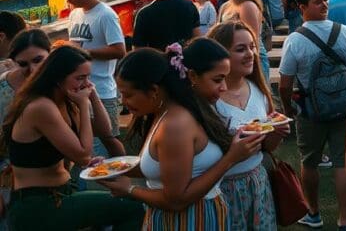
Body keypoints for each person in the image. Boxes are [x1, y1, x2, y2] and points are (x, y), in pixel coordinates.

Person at [101, 47, 265, 229]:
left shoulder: (174, 125)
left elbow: (176, 201)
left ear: (154, 90)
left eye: (128, 94)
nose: (123, 102)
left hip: (189, 219)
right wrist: (110, 169)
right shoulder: (168, 112)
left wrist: (129, 190)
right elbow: (164, 168)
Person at [2, 46, 145, 230]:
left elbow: (105, 130)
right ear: (58, 77)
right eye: (80, 78)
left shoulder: (67, 102)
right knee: (132, 209)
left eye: (88, 77)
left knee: (127, 200)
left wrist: (92, 95)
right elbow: (83, 155)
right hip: (38, 203)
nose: (85, 84)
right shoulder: (41, 107)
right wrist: (84, 104)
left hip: (63, 191)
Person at [278, 0, 346, 230]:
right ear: (301, 6)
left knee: (309, 162)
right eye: (319, 1)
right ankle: (345, 220)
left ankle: (314, 213)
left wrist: (288, 109)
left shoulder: (295, 41)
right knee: (342, 164)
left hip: (310, 112)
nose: (325, 4)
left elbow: (285, 85)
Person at [207, 23, 288, 231]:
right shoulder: (208, 99)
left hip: (258, 182)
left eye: (252, 47)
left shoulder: (258, 90)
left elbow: (266, 149)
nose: (250, 54)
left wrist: (277, 133)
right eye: (240, 49)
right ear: (220, 54)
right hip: (221, 189)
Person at [65, 0, 126, 158]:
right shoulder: (74, 14)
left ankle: (122, 175)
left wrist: (83, 53)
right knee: (82, 140)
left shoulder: (106, 15)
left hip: (102, 91)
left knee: (109, 137)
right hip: (77, 91)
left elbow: (119, 50)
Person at [0, 29, 51, 225]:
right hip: (7, 180)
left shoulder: (58, 84)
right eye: (23, 64)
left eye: (38, 60)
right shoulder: (3, 90)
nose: (32, 69)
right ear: (13, 62)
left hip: (52, 178)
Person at [217, 0, 270, 84]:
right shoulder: (225, 7)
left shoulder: (247, 6)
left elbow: (252, 41)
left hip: (252, 61)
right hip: (232, 59)